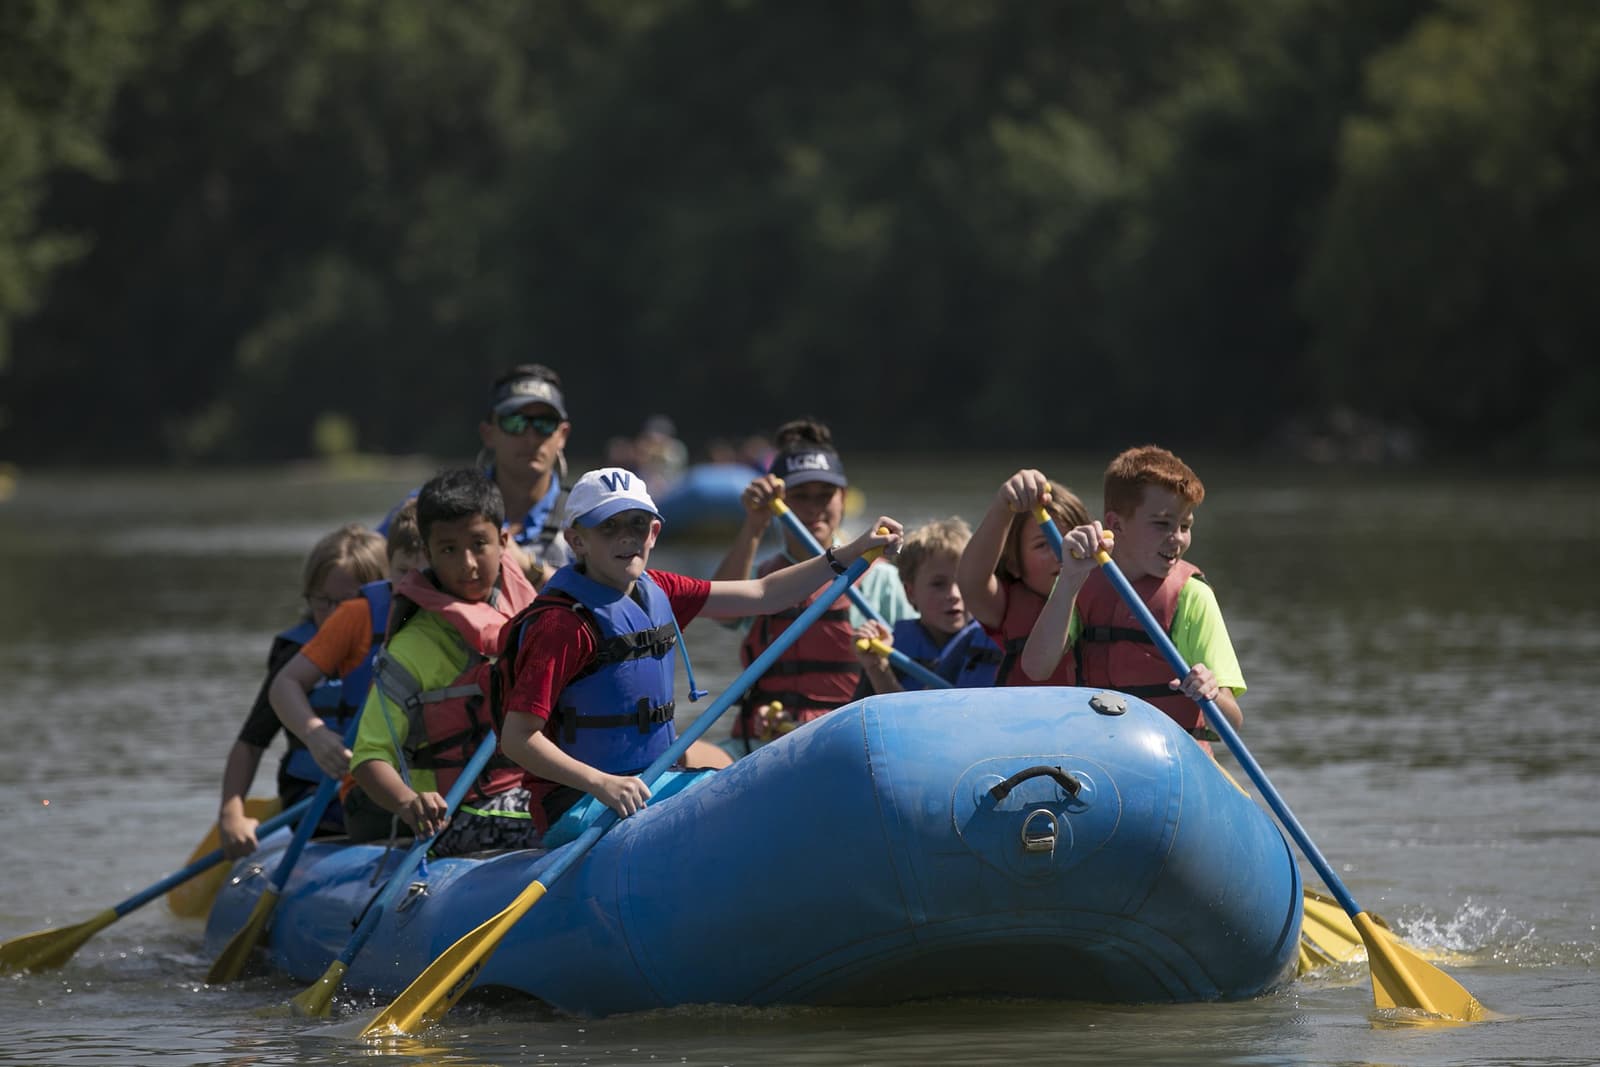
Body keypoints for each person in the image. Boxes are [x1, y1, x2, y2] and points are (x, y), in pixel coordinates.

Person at [497, 466, 903, 836]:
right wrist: (601, 783)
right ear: (576, 540)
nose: (626, 537)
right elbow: (518, 739)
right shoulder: (562, 626)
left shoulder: (660, 589)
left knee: (759, 800)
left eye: (638, 524)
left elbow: (765, 593)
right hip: (581, 801)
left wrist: (853, 552)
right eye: (609, 526)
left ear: (654, 533)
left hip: (651, 783)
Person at [350, 468, 540, 855]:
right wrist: (408, 803)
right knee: (567, 812)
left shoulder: (533, 616)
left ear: (503, 542)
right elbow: (369, 758)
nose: (467, 564)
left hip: (535, 791)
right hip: (456, 816)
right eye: (449, 550)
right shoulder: (411, 649)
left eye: (479, 544)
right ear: (430, 555)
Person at [1019, 445, 1244, 754]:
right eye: (1162, 524)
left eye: (1185, 526)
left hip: (1173, 763)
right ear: (1116, 524)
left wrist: (1212, 694)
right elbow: (1035, 667)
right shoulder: (1080, 581)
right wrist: (1069, 578)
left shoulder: (1193, 596)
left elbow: (1232, 720)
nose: (1177, 537)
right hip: (1099, 757)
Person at [712, 418, 914, 748]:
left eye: (825, 495)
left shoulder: (881, 579)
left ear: (843, 497)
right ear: (780, 500)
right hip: (762, 744)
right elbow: (721, 613)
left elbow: (913, 674)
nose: (813, 508)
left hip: (845, 745)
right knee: (691, 756)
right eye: (800, 495)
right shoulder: (762, 578)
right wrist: (754, 525)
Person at [215, 524, 388, 859]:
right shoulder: (295, 655)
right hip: (314, 800)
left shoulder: (403, 646)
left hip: (380, 792)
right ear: (309, 597)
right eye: (324, 602)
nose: (336, 616)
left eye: (349, 604)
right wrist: (231, 814)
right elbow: (251, 744)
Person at [266, 501, 425, 841]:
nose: (413, 586)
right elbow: (284, 685)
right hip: (373, 791)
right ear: (389, 569)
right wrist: (316, 735)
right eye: (402, 572)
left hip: (451, 786)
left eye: (425, 574)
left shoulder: (484, 617)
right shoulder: (358, 615)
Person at [380, 364, 574, 589]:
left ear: (562, 435)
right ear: (488, 433)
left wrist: (528, 568)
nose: (530, 437)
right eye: (514, 421)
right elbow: (366, 567)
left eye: (544, 423)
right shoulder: (430, 507)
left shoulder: (589, 519)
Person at [955, 468, 1093, 687]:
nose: (1062, 552)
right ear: (1014, 565)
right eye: (1042, 544)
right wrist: (1003, 505)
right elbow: (972, 581)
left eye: (1072, 540)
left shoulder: (1107, 592)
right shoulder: (1005, 606)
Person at [851, 517, 1002, 695]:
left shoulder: (996, 641)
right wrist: (877, 668)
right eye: (938, 584)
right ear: (910, 592)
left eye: (962, 581)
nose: (954, 595)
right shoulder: (889, 649)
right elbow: (896, 720)